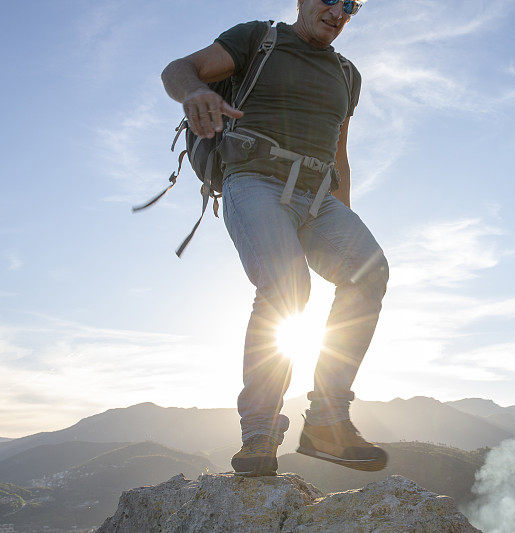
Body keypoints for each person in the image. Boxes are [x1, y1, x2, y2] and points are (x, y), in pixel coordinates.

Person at [160, 0, 389, 476]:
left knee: (369, 271)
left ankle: (327, 420)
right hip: (254, 179)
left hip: (319, 197)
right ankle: (260, 432)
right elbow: (179, 69)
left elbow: (339, 150)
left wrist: (343, 222)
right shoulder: (257, 39)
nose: (339, 11)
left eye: (352, 4)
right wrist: (195, 94)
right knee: (288, 288)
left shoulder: (348, 74)